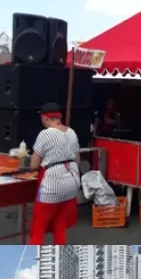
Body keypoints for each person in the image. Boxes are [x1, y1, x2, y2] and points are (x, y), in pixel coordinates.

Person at [28, 102, 82, 245]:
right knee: (59, 225)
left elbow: (33, 165)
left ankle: (33, 260)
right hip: (72, 183)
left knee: (38, 226)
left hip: (53, 184)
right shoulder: (71, 132)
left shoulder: (45, 134)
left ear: (45, 118)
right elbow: (77, 159)